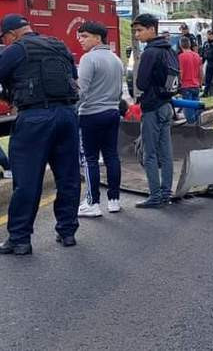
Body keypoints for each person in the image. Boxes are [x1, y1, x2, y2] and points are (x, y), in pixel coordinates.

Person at [0, 14, 81, 255]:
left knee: (27, 180)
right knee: (68, 176)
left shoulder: (16, 50)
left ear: (12, 34)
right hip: (67, 115)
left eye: (4, 37)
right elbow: (72, 79)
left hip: (35, 119)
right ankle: (67, 232)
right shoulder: (58, 45)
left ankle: (20, 239)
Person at [75, 22, 124, 218]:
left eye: (84, 36)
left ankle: (92, 202)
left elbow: (82, 91)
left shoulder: (88, 59)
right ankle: (114, 200)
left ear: (98, 38)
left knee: (90, 159)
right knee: (112, 156)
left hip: (91, 114)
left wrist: (73, 110)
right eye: (80, 36)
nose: (80, 40)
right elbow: (120, 90)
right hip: (112, 113)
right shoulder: (116, 59)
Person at [133, 13, 176, 209]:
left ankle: (155, 195)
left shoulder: (150, 52)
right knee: (166, 153)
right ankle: (167, 192)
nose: (136, 35)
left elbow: (141, 83)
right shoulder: (170, 50)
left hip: (152, 106)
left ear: (152, 29)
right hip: (167, 105)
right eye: (135, 31)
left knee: (149, 153)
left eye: (140, 30)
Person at [177, 36, 203, 124]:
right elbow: (201, 71)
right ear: (189, 45)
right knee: (196, 106)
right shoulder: (197, 55)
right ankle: (197, 124)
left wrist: (179, 83)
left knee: (188, 109)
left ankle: (191, 126)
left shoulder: (180, 57)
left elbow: (181, 72)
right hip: (196, 85)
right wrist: (200, 83)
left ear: (181, 45)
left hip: (186, 85)